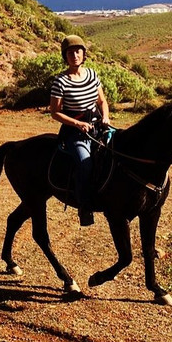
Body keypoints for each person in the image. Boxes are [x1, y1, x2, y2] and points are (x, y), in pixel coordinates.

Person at [49, 35, 110, 226]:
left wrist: (106, 116)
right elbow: (55, 112)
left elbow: (102, 101)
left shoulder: (92, 74)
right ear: (65, 56)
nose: (74, 55)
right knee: (85, 163)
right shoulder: (61, 82)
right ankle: (84, 207)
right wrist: (77, 125)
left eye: (78, 51)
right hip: (75, 133)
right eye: (70, 52)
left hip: (98, 126)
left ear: (84, 54)